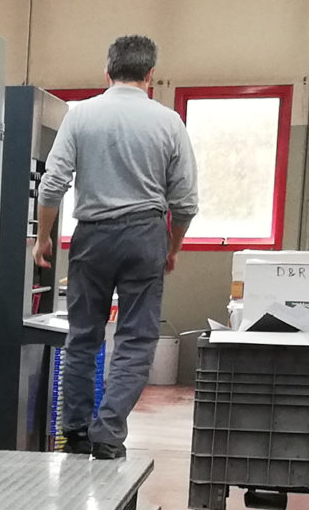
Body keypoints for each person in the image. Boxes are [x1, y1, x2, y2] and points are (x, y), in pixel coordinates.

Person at [34, 34, 198, 461]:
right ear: (151, 75)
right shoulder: (169, 123)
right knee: (135, 340)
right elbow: (185, 201)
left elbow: (52, 184)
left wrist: (44, 237)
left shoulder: (81, 115)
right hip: (146, 235)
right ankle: (108, 434)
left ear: (106, 72)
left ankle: (76, 432)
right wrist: (173, 247)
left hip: (92, 236)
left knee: (83, 336)